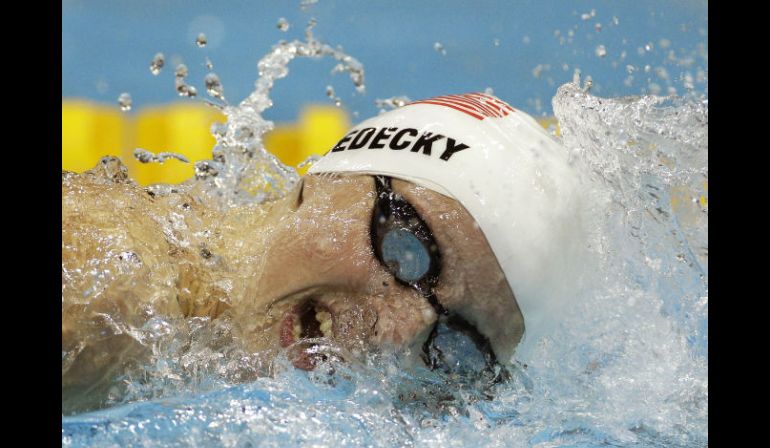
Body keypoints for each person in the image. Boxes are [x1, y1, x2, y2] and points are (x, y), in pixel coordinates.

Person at [62, 92, 585, 412]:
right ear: (329, 177)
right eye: (408, 253)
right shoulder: (105, 290)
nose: (401, 333)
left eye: (456, 346)